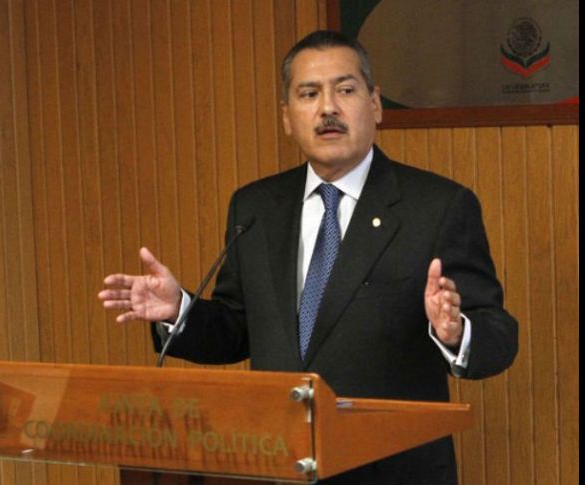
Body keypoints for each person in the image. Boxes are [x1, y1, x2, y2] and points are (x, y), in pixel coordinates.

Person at [98, 30, 517, 485]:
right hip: (277, 466)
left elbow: (497, 335)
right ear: (287, 117)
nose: (327, 108)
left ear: (375, 104)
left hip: (392, 472)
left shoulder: (437, 207)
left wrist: (455, 332)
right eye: (309, 94)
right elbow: (237, 329)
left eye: (345, 90)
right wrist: (178, 310)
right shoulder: (255, 208)